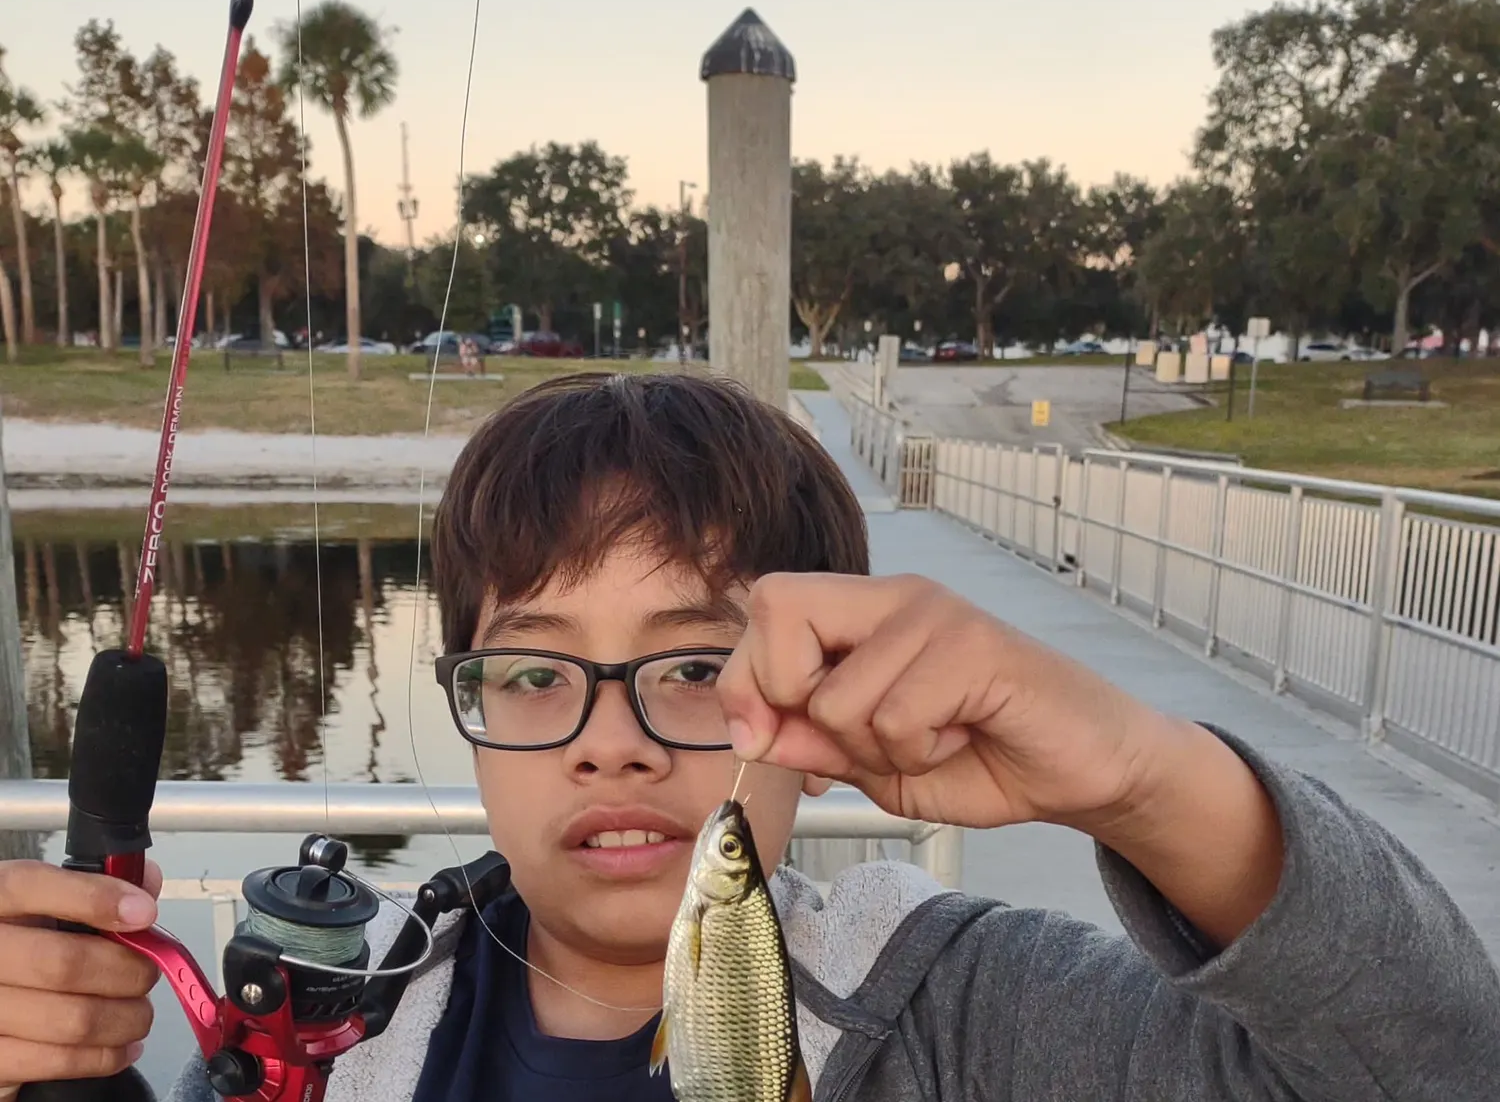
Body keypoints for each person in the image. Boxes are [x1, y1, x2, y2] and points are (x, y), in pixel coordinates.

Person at [1, 370, 1497, 1101]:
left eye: (698, 666)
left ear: (823, 702)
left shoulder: (966, 1019)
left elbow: (1432, 1067)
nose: (613, 746)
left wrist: (1140, 771)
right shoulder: (334, 1023)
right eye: (533, 674)